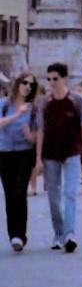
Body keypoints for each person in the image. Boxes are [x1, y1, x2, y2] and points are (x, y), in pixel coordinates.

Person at [35, 63, 82, 252]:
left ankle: (69, 233)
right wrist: (38, 158)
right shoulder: (44, 103)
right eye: (49, 79)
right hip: (50, 154)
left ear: (64, 79)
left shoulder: (77, 100)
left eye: (55, 79)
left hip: (72, 152)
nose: (52, 83)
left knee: (70, 193)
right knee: (53, 196)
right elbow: (41, 130)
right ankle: (58, 233)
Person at [0, 72, 39, 252]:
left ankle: (20, 235)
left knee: (20, 191)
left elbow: (35, 136)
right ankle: (13, 234)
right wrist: (17, 115)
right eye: (25, 83)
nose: (28, 87)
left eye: (31, 85)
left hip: (24, 153)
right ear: (17, 84)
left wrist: (29, 136)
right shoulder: (4, 104)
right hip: (5, 152)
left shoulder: (33, 109)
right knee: (9, 194)